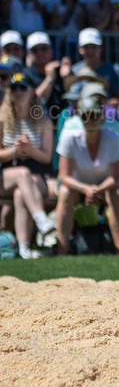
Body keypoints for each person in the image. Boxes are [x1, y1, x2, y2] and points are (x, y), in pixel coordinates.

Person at [54, 91, 119, 255]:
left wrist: (97, 190)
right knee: (65, 192)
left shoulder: (113, 138)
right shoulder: (69, 137)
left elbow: (115, 178)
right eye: (85, 116)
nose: (89, 120)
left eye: (94, 116)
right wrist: (86, 189)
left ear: (101, 116)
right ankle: (62, 249)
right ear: (79, 117)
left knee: (116, 192)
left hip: (104, 187)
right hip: (77, 188)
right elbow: (64, 176)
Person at [0, 70, 55, 258]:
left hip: (36, 173)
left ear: (32, 91)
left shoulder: (43, 119)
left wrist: (29, 150)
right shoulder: (2, 118)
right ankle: (42, 221)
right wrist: (15, 150)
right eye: (13, 88)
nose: (18, 91)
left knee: (20, 193)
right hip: (6, 174)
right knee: (22, 173)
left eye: (22, 87)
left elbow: (47, 157)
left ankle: (24, 248)